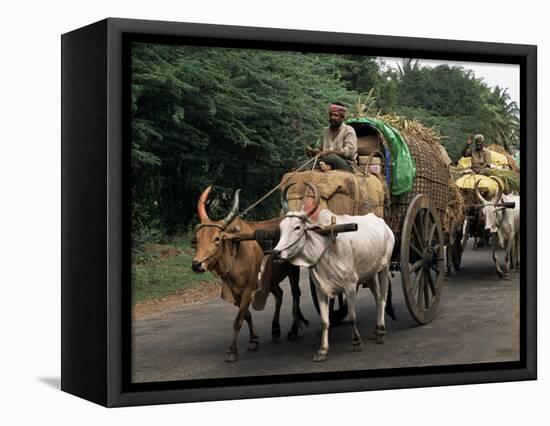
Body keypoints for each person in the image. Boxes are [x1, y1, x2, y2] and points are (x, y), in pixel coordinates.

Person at [306, 102, 357, 172]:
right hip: (325, 161)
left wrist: (328, 152)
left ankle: (321, 166)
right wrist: (313, 152)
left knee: (332, 157)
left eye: (335, 115)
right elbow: (319, 150)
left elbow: (349, 152)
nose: (332, 117)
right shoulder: (325, 131)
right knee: (300, 163)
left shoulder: (349, 130)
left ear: (342, 117)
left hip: (346, 165)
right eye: (330, 115)